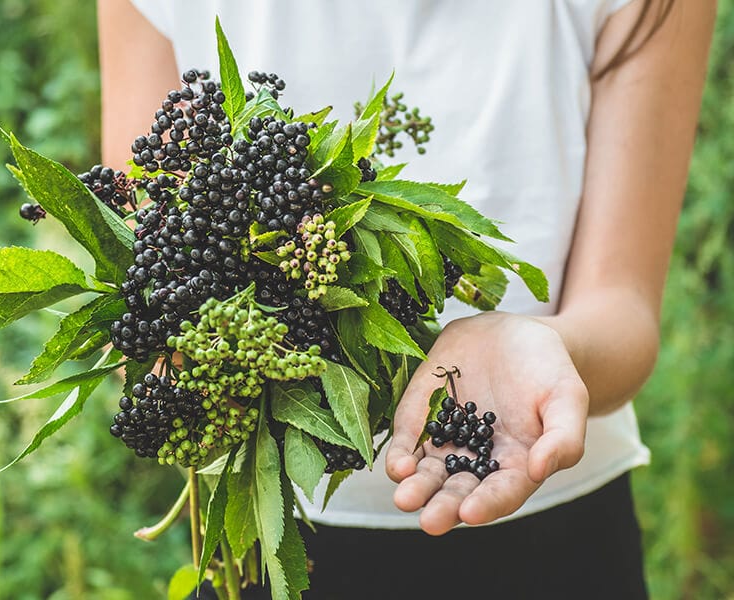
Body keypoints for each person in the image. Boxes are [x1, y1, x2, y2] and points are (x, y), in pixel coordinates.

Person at [97, 1, 716, 597]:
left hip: (551, 522)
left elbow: (624, 310)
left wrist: (548, 348)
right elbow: (147, 262)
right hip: (279, 535)